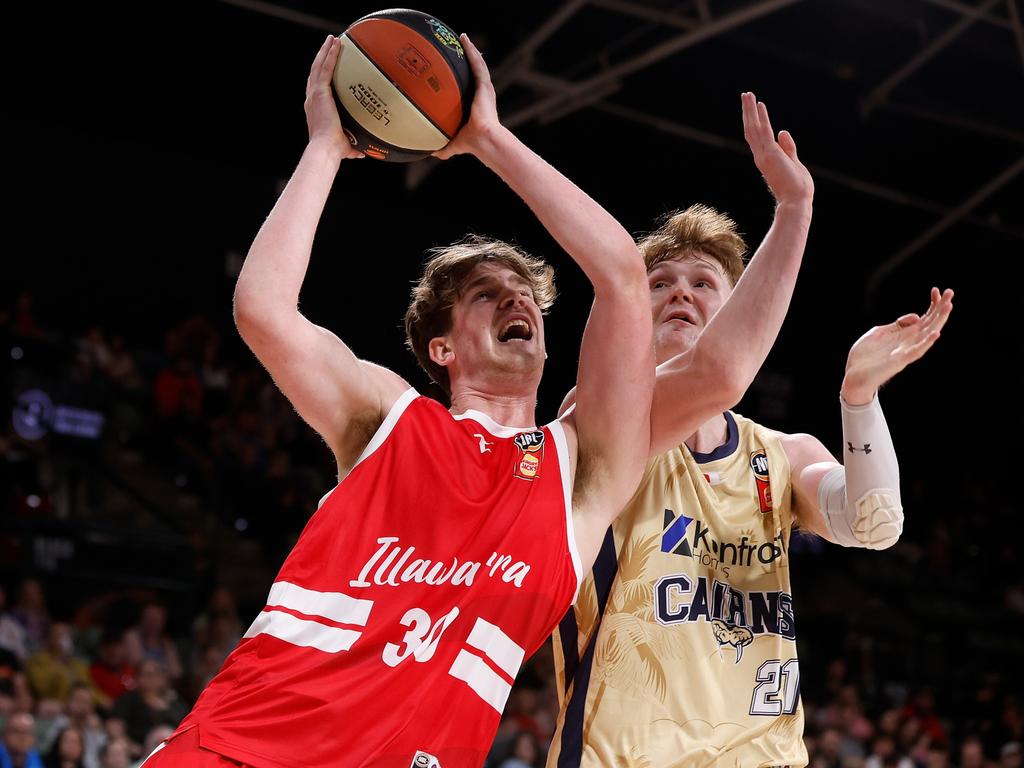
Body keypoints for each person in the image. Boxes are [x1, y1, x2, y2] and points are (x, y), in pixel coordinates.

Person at [143, 30, 657, 768]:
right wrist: (325, 145)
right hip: (243, 747)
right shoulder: (390, 416)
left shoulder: (582, 473)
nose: (518, 300)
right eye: (488, 294)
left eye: (526, 296)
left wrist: (490, 139)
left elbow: (623, 279)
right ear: (440, 349)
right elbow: (263, 310)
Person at [547, 102, 954, 766]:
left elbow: (876, 523)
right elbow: (718, 374)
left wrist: (859, 397)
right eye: (659, 283)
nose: (679, 293)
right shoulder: (599, 417)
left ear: (741, 308)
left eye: (704, 283)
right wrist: (794, 212)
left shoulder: (784, 455)